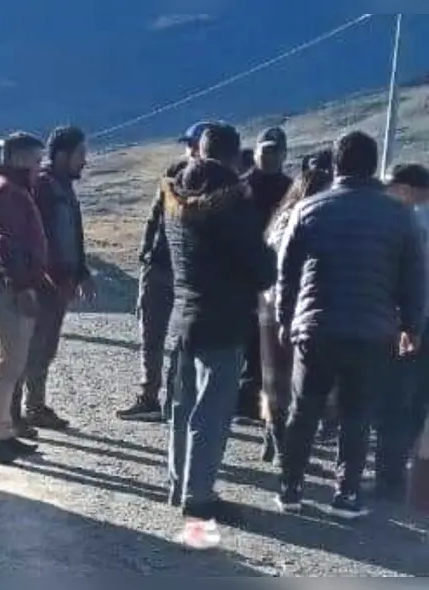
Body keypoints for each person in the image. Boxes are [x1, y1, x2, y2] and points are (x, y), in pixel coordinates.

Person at [275, 131, 426, 518]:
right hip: (373, 330)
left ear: (337, 165)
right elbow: (413, 276)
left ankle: (291, 487)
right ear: (374, 166)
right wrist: (411, 324)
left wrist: (284, 319)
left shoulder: (309, 208)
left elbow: (287, 271)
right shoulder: (400, 216)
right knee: (357, 414)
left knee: (304, 409)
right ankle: (347, 494)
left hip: (316, 325)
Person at [161, 123, 276, 527]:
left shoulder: (173, 197)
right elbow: (260, 268)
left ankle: (178, 484)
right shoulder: (232, 204)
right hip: (223, 318)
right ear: (233, 156)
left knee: (182, 406)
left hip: (183, 313)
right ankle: (200, 495)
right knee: (212, 410)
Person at [118, 121, 215, 422]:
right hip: (159, 265)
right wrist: (146, 252)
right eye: (188, 143)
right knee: (151, 330)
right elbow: (155, 215)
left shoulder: (219, 181)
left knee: (187, 336)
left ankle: (178, 398)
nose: (190, 148)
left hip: (192, 271)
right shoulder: (173, 172)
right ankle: (149, 395)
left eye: (195, 142)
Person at [11, 126, 96, 438]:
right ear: (62, 155)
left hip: (61, 284)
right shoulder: (43, 186)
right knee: (30, 349)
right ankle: (13, 413)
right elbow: (33, 237)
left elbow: (73, 232)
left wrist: (82, 271)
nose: (84, 162)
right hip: (44, 283)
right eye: (80, 155)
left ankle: (35, 406)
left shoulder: (63, 187)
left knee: (45, 349)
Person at [0, 131, 49, 464]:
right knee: (10, 364)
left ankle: (3, 429)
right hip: (9, 288)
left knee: (13, 363)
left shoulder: (10, 188)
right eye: (36, 160)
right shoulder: (9, 192)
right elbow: (7, 244)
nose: (39, 167)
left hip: (9, 284)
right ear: (19, 159)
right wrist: (22, 286)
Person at [258, 167, 332, 464]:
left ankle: (272, 440)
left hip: (271, 302)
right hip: (299, 306)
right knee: (296, 382)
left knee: (274, 379)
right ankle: (285, 448)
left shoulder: (282, 218)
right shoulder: (314, 219)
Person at [375, 163, 429, 501]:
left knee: (397, 400)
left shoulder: (408, 218)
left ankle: (390, 477)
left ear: (407, 188)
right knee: (419, 403)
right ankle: (415, 479)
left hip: (409, 321)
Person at [236, 127, 293, 423]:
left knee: (268, 342)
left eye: (275, 151)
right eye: (265, 151)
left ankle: (259, 401)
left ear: (284, 154)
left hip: (275, 277)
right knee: (240, 338)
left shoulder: (291, 190)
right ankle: (241, 400)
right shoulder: (240, 188)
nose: (269, 156)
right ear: (256, 152)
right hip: (241, 275)